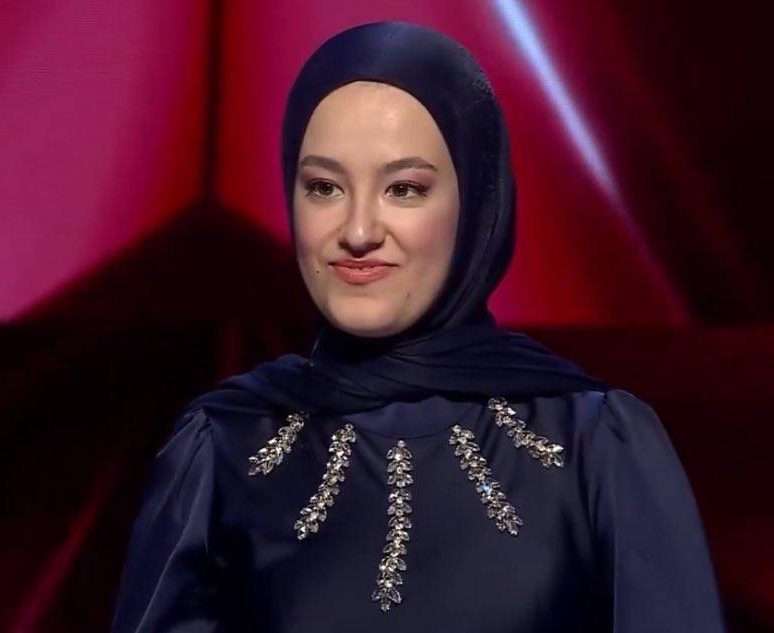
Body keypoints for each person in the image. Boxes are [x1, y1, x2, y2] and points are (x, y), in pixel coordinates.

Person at [110, 20, 727, 632]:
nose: (357, 231)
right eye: (323, 187)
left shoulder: (597, 445)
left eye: (403, 189)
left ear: (478, 202)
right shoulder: (222, 446)